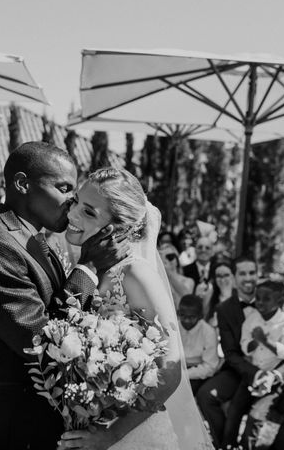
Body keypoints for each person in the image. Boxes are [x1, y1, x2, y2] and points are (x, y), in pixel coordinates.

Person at [0, 143, 134, 450]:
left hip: (30, 417)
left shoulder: (32, 237)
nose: (72, 198)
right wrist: (90, 266)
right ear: (22, 184)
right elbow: (42, 340)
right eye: (63, 187)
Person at [58, 167, 211, 449]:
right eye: (76, 201)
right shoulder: (85, 267)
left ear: (118, 227)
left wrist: (112, 435)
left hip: (132, 435)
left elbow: (170, 372)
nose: (72, 214)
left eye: (89, 212)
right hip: (87, 424)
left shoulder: (137, 275)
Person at [196, 256, 284, 449]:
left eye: (252, 273)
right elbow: (231, 353)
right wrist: (255, 373)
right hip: (240, 370)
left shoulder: (276, 298)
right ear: (233, 277)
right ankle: (226, 444)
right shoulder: (224, 309)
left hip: (275, 371)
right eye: (242, 273)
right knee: (207, 395)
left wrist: (274, 375)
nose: (248, 278)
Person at [239, 281, 284, 450]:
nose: (259, 302)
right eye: (258, 298)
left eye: (266, 299)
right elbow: (245, 346)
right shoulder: (251, 318)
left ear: (279, 301)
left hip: (279, 380)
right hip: (254, 378)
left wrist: (266, 341)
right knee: (252, 415)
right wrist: (254, 342)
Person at [178, 294, 220, 395]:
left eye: (192, 317)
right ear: (178, 313)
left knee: (183, 392)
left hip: (197, 372)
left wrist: (184, 374)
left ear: (200, 316)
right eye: (183, 316)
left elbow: (210, 367)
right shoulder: (173, 327)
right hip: (175, 368)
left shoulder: (208, 332)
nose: (186, 321)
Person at [199, 258, 235, 327]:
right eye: (219, 276)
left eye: (226, 275)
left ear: (233, 276)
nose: (222, 279)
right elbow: (204, 320)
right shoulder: (209, 295)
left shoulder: (240, 295)